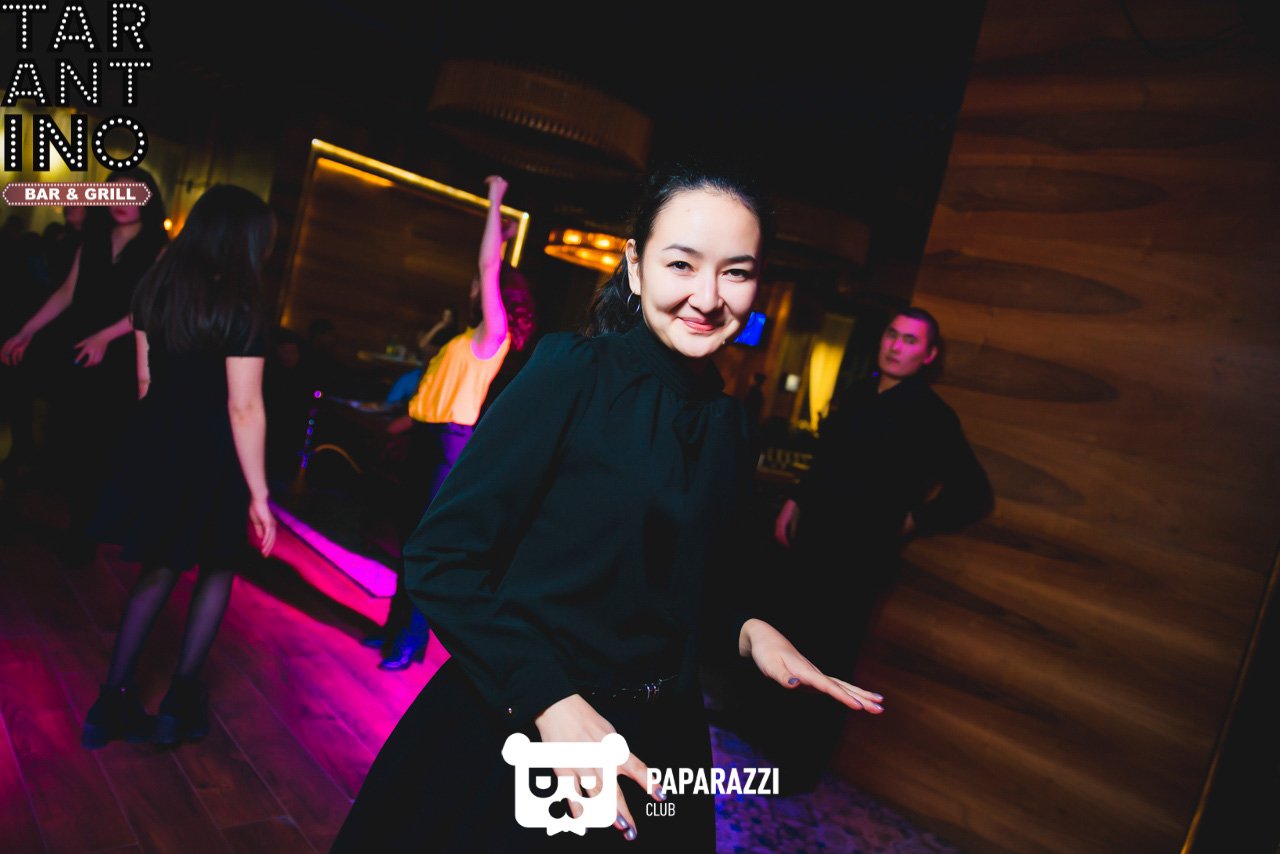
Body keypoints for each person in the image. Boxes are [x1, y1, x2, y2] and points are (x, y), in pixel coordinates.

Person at [333, 161, 885, 851]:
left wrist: (751, 630)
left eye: (736, 273)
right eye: (681, 264)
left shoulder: (729, 424)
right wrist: (551, 703)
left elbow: (689, 590)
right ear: (635, 266)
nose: (708, 298)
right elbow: (441, 559)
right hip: (524, 721)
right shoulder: (572, 374)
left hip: (660, 741)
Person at [748, 306, 994, 792]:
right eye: (892, 334)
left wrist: (916, 518)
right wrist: (795, 499)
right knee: (788, 637)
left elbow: (973, 492)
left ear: (929, 355)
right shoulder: (860, 391)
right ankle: (765, 739)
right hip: (813, 543)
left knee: (830, 658)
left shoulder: (931, 415)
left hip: (859, 558)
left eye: (910, 340)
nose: (896, 346)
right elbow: (826, 459)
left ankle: (799, 768)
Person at [78, 184, 278, 748]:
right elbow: (243, 408)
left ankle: (108, 707)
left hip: (160, 439)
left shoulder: (156, 288)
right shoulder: (243, 305)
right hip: (214, 446)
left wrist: (160, 444)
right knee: (216, 566)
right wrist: (260, 495)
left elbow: (146, 381)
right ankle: (179, 705)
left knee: (159, 567)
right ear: (243, 240)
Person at [368, 174, 537, 670]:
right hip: (428, 438)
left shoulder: (493, 335)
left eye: (482, 283)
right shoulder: (468, 336)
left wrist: (495, 200)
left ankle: (408, 642)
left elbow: (487, 267)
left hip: (448, 445)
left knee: (426, 548)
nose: (473, 284)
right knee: (409, 541)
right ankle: (396, 633)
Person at [1, 170, 169, 561]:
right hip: (80, 346)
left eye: (132, 193)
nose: (122, 201)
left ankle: (86, 535)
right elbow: (67, 292)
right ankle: (75, 524)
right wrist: (27, 330)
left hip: (123, 352)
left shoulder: (160, 249)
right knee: (70, 438)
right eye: (115, 192)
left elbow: (150, 308)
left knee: (102, 442)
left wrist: (105, 337)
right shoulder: (93, 239)